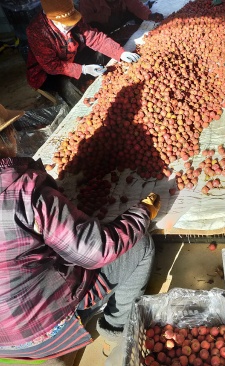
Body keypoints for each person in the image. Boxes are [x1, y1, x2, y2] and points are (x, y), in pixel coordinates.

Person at [0, 103, 161, 360]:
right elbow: (96, 251)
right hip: (45, 325)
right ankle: (115, 331)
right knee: (139, 244)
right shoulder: (27, 191)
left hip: (4, 344)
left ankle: (54, 352)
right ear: (9, 136)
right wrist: (142, 213)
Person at [26, 0, 141, 107]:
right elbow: (51, 66)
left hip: (71, 55)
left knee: (100, 54)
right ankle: (92, 109)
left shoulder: (73, 14)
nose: (71, 24)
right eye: (67, 23)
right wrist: (83, 69)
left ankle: (101, 87)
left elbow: (94, 38)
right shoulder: (37, 31)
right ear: (53, 19)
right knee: (67, 86)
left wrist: (120, 53)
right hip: (47, 73)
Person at [79, 0, 164, 35]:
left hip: (120, 15)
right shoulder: (87, 2)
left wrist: (149, 15)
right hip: (101, 25)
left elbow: (135, 5)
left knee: (137, 14)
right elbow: (85, 19)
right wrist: (105, 18)